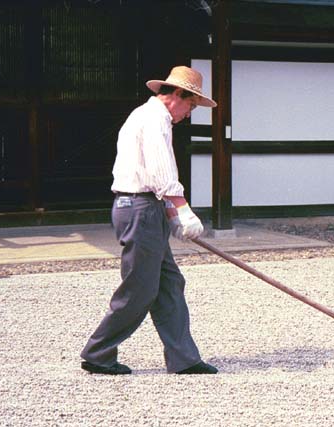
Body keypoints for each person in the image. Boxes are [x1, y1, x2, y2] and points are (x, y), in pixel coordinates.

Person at [80, 66, 218, 375]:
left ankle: (184, 359)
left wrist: (172, 216)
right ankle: (98, 353)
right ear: (177, 96)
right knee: (140, 288)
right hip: (139, 209)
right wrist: (182, 208)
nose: (189, 113)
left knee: (169, 283)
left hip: (146, 208)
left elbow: (154, 179)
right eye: (191, 106)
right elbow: (160, 172)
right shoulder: (155, 119)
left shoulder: (149, 116)